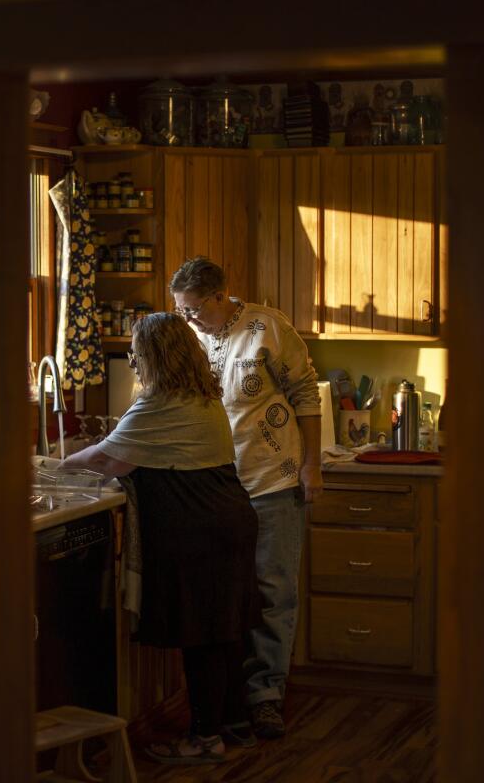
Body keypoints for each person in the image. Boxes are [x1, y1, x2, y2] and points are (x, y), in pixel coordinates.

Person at [59, 312, 261, 765]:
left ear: (154, 355)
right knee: (224, 633)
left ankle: (205, 741)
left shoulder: (160, 404)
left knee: (202, 636)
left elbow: (108, 458)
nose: (132, 360)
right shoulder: (202, 396)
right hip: (228, 522)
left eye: (136, 352)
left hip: (198, 530)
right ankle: (233, 726)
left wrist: (55, 465)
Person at [169, 257, 322, 740]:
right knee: (225, 595)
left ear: (219, 297)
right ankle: (231, 703)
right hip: (213, 485)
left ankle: (266, 698)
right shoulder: (188, 336)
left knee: (274, 590)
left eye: (192, 308)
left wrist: (312, 465)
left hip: (272, 479)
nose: (186, 317)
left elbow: (307, 397)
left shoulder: (267, 328)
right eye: (179, 310)